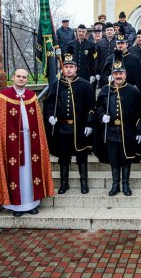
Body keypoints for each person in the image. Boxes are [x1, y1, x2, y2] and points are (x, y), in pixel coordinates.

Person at [0, 69, 54, 217]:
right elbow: (0, 124)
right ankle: (16, 206)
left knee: (30, 171)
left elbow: (38, 122)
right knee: (17, 173)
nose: (21, 79)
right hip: (11, 142)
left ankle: (32, 203)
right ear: (13, 78)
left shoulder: (31, 96)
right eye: (18, 76)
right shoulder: (3, 96)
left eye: (24, 77)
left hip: (30, 141)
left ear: (27, 80)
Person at [94, 50, 141, 196]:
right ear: (112, 74)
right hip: (111, 131)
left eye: (121, 73)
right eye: (116, 73)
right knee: (114, 160)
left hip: (127, 130)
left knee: (126, 159)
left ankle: (125, 185)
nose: (118, 76)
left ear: (125, 74)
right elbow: (98, 107)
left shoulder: (133, 91)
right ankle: (114, 185)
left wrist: (138, 131)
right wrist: (101, 116)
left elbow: (139, 113)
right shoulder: (105, 89)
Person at [44, 47, 95, 195]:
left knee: (81, 156)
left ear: (76, 69)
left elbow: (91, 106)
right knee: (64, 157)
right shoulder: (57, 84)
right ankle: (64, 183)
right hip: (62, 127)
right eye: (66, 67)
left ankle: (84, 183)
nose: (68, 70)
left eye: (71, 67)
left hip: (79, 128)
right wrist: (49, 116)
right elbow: (49, 104)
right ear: (63, 69)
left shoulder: (85, 85)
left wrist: (89, 123)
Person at [102, 26, 141, 91]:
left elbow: (140, 77)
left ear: (127, 44)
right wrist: (108, 78)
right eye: (118, 43)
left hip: (130, 90)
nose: (120, 45)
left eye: (122, 43)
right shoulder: (110, 58)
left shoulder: (134, 59)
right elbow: (104, 75)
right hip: (115, 89)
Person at [95, 22, 116, 87]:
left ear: (114, 32)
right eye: (107, 30)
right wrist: (97, 72)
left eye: (111, 30)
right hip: (103, 71)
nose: (109, 32)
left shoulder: (118, 43)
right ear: (105, 32)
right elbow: (97, 58)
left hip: (115, 70)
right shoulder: (99, 43)